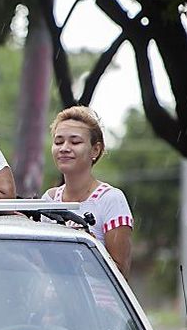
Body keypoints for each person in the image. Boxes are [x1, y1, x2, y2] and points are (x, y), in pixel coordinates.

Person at [43, 106, 133, 276]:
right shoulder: (49, 200)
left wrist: (88, 247)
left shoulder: (111, 200)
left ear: (95, 150)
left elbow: (120, 273)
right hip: (56, 301)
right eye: (58, 142)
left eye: (75, 142)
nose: (64, 148)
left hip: (96, 303)